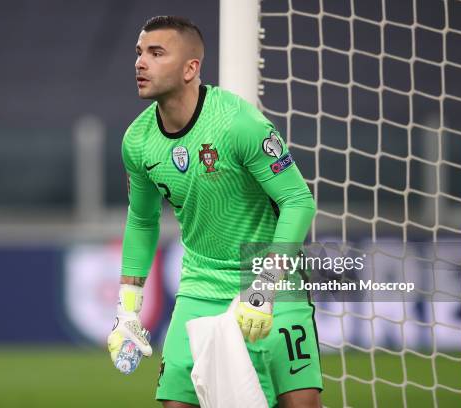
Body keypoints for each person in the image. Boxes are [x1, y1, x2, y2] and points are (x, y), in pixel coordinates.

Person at [107, 15, 322, 408]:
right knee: (176, 402)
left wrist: (265, 285)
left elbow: (298, 201)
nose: (140, 63)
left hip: (271, 284)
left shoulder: (238, 123)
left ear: (191, 68)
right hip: (199, 290)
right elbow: (141, 220)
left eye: (156, 53)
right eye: (139, 53)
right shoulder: (137, 141)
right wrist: (127, 309)